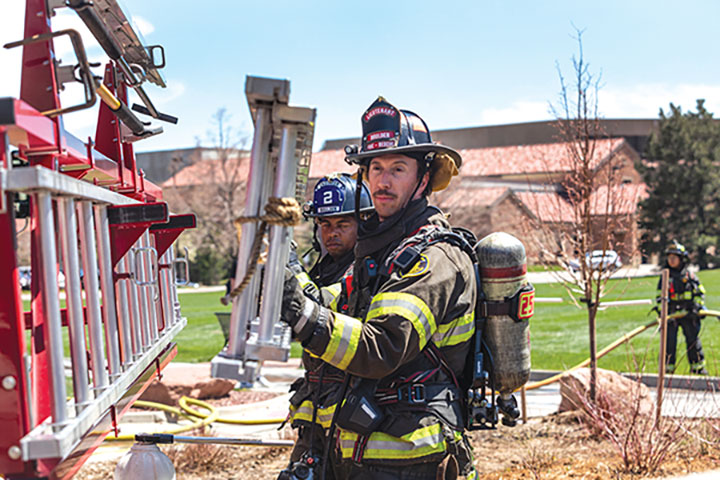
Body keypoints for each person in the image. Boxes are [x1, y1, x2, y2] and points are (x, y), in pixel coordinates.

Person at [281, 97, 476, 479]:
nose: (383, 182)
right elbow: (332, 307)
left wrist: (301, 313)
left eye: (398, 169)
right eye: (375, 168)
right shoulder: (377, 255)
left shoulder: (433, 257)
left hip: (408, 462)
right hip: (359, 455)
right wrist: (281, 277)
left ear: (424, 178)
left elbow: (382, 348)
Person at [281, 173, 372, 479]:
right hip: (318, 406)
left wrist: (290, 267)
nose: (331, 233)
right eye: (324, 224)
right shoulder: (326, 265)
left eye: (342, 225)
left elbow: (320, 305)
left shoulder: (364, 265)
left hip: (350, 412)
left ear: (363, 224)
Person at [657, 240, 708, 375]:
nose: (671, 260)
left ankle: (698, 368)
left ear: (681, 259)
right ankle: (667, 371)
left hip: (688, 314)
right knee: (669, 343)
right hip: (671, 316)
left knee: (693, 341)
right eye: (669, 257)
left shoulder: (690, 276)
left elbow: (699, 292)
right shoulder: (665, 277)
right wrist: (664, 312)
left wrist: (696, 307)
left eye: (674, 257)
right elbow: (659, 297)